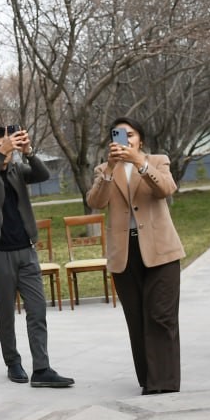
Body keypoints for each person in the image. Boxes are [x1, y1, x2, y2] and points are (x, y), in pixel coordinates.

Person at [86, 116, 185, 394]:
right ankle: (148, 379)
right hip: (125, 253)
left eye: (130, 135)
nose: (125, 140)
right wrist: (110, 169)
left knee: (161, 316)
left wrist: (139, 163)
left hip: (161, 250)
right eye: (118, 135)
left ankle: (164, 381)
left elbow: (166, 189)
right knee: (137, 317)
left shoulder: (157, 161)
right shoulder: (104, 169)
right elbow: (96, 202)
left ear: (140, 139)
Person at [0, 127, 74, 388]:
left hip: (26, 251)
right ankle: (13, 362)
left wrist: (28, 152)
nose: (4, 151)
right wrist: (1, 155)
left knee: (37, 310)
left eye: (7, 146)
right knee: (6, 312)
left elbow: (43, 174)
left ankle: (42, 368)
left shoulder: (18, 171)